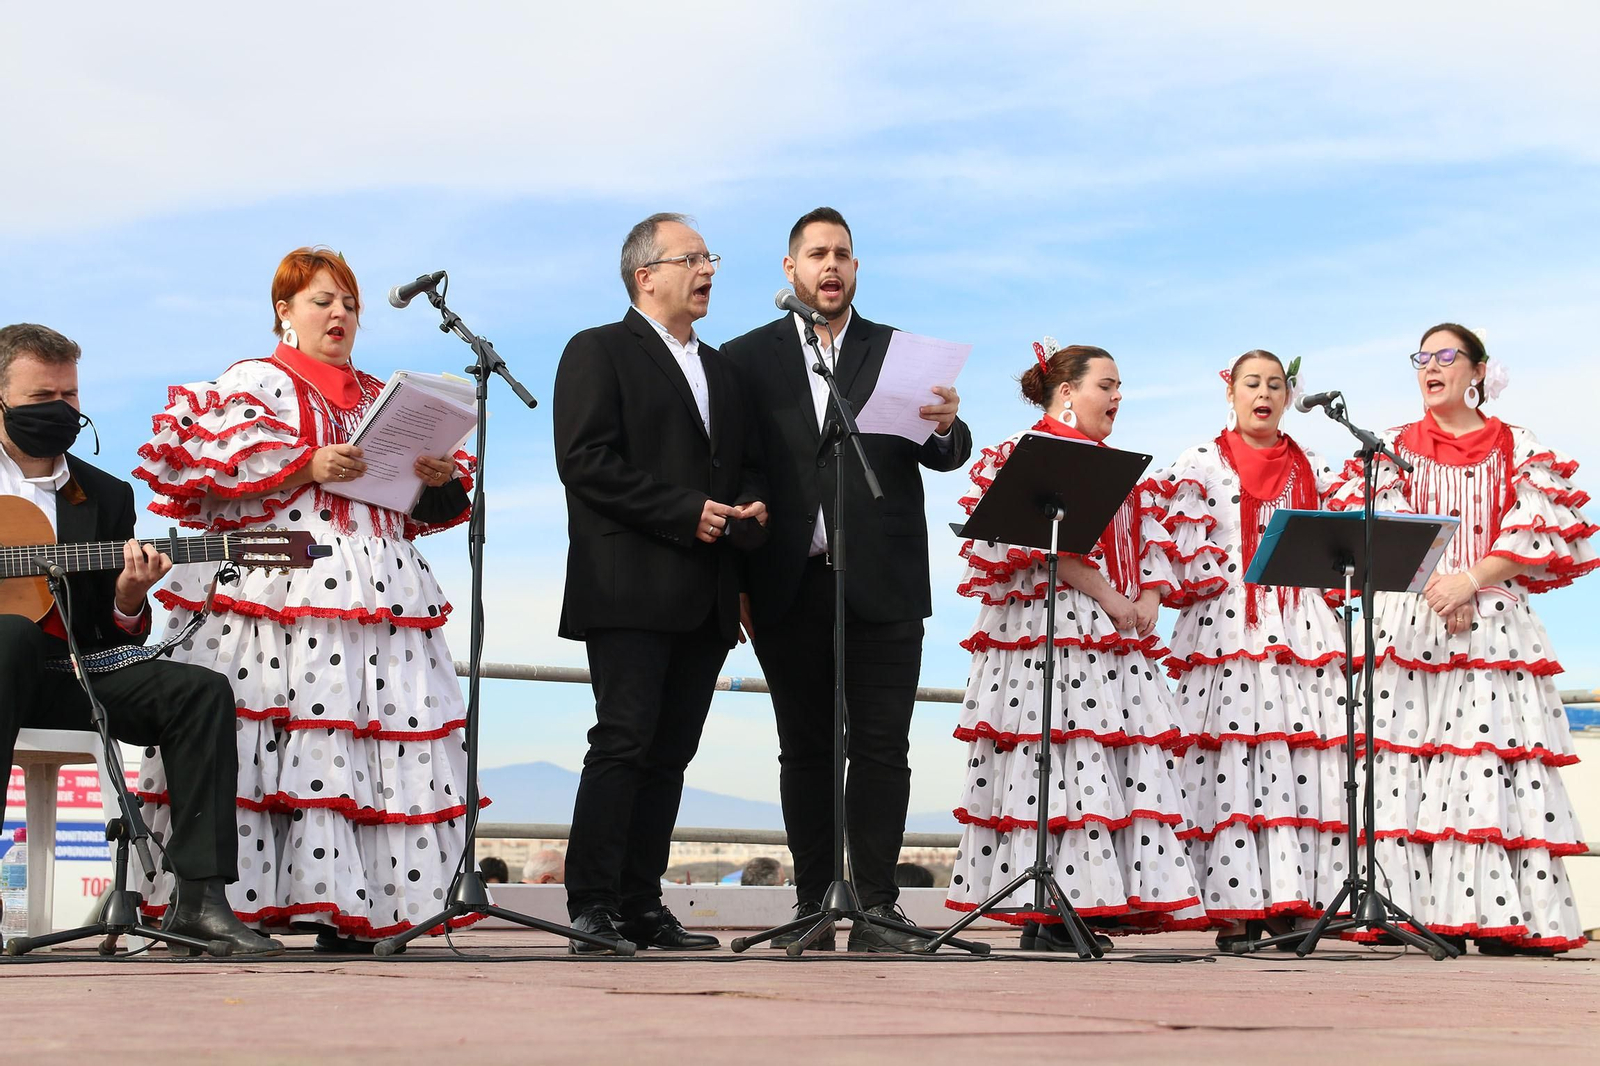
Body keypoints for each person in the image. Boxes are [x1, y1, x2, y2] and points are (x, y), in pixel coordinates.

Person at [132, 248, 478, 953]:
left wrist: (435, 476)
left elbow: (420, 509)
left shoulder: (385, 395)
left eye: (349, 303)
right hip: (280, 585)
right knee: (271, 743)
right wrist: (306, 463)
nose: (341, 313)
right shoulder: (255, 382)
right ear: (284, 311)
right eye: (323, 300)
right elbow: (210, 467)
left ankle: (355, 910)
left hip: (379, 591)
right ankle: (227, 905)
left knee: (369, 746)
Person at [722, 207, 971, 952]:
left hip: (885, 579)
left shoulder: (897, 350)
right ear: (791, 270)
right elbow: (735, 469)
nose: (831, 267)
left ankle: (876, 906)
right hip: (787, 580)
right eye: (817, 255)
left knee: (884, 747)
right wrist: (737, 575)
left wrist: (946, 423)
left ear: (856, 269)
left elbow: (947, 453)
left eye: (843, 255)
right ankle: (810, 901)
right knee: (804, 748)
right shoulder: (744, 357)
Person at [0, 323, 279, 956]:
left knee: (200, 691)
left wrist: (130, 596)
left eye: (70, 397)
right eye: (43, 397)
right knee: (10, 634)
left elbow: (110, 626)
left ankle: (199, 901)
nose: (61, 411)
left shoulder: (104, 494)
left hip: (71, 673)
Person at [1328, 323, 1594, 954]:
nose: (1431, 366)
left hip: (1494, 624)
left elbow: (1536, 528)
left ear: (1478, 371)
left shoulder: (1515, 443)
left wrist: (1469, 581)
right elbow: (1370, 528)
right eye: (1422, 357)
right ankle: (1410, 910)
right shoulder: (1391, 447)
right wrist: (1435, 588)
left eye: (1447, 356)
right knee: (1409, 764)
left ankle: (1506, 920)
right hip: (1414, 621)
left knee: (1489, 764)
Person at [945, 340, 1207, 950]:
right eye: (1106, 385)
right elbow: (1039, 544)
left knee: (1101, 763)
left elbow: (1150, 542)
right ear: (1067, 392)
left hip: (1111, 638)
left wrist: (1147, 600)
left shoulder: (1119, 469)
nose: (1118, 397)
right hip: (1049, 627)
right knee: (1054, 761)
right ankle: (1046, 908)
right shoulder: (1024, 453)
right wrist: (1116, 600)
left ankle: (1086, 903)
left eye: (1119, 387)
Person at [553, 213, 767, 954]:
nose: (708, 269)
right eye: (692, 258)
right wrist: (687, 511)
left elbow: (740, 472)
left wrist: (750, 512)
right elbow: (585, 460)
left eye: (712, 257)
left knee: (672, 753)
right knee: (622, 741)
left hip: (706, 593)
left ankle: (643, 903)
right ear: (647, 275)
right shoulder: (598, 350)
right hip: (629, 586)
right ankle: (593, 906)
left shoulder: (724, 372)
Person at [1149, 350, 1347, 950]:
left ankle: (1291, 900)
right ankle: (1234, 907)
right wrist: (1224, 581)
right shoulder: (1201, 461)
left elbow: (1330, 541)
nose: (1263, 393)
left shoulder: (1312, 461)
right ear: (1229, 391)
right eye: (1251, 383)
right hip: (1227, 625)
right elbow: (1184, 545)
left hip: (1298, 625)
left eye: (1275, 384)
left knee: (1298, 760)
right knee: (1232, 759)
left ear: (1289, 396)